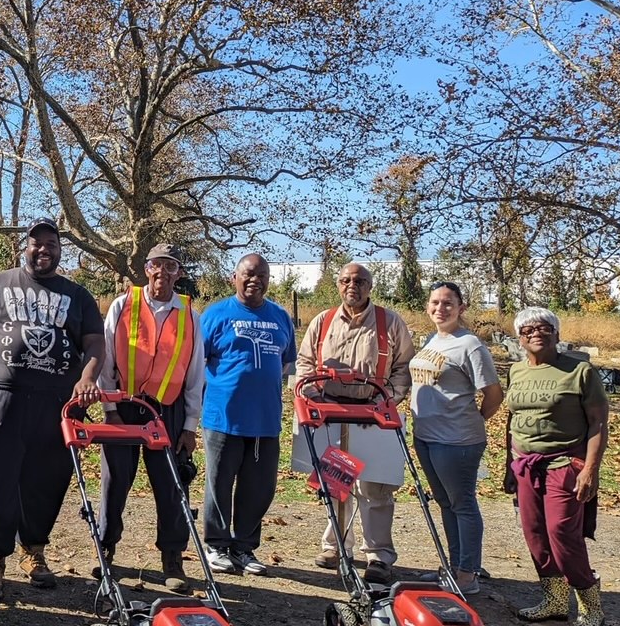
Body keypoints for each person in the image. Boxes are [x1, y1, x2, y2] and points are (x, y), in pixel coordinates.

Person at [0, 218, 104, 601]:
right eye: (37, 243)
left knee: (47, 479)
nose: (44, 249)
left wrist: (88, 378)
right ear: (26, 246)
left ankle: (33, 550)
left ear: (59, 249)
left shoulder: (79, 296)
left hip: (57, 403)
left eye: (51, 243)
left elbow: (95, 345)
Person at [293, 262, 415, 585]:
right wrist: (314, 392)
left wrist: (385, 398)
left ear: (370, 286)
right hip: (332, 412)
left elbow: (404, 367)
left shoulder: (389, 322)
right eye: (346, 280)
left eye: (360, 280)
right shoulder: (324, 321)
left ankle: (378, 555)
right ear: (338, 285)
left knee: (375, 488)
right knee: (336, 483)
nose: (353, 285)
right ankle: (335, 547)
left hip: (374, 414)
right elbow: (306, 362)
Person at [93, 244, 204, 593]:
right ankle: (106, 549)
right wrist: (109, 410)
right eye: (157, 265)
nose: (163, 273)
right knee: (115, 482)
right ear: (147, 268)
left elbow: (195, 375)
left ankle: (172, 559)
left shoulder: (190, 314)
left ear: (179, 274)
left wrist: (189, 427)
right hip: (123, 406)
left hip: (167, 409)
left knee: (172, 486)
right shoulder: (124, 304)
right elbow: (107, 357)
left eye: (171, 267)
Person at [505, 307, 609, 626]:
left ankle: (592, 608)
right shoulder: (517, 371)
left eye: (544, 328)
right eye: (528, 329)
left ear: (557, 334)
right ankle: (554, 600)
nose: (536, 333)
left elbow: (598, 422)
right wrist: (509, 464)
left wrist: (590, 469)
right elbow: (512, 420)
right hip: (524, 464)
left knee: (563, 535)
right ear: (520, 338)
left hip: (565, 464)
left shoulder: (579, 372)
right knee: (535, 534)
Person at [200, 253, 296, 577]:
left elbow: (286, 365)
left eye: (262, 275)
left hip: (265, 421)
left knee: (259, 488)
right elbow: (195, 365)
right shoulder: (215, 315)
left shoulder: (280, 317)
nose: (255, 280)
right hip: (224, 418)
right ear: (235, 277)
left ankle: (243, 548)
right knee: (219, 485)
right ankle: (216, 545)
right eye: (249, 274)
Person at [409, 281, 503, 596]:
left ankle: (468, 573)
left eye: (448, 303)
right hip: (426, 436)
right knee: (446, 504)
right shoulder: (432, 340)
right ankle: (454, 565)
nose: (441, 308)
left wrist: (474, 420)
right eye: (435, 302)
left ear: (461, 307)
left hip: (457, 441)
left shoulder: (470, 345)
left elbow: (493, 393)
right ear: (427, 306)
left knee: (462, 504)